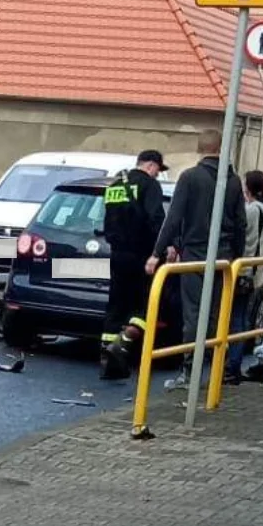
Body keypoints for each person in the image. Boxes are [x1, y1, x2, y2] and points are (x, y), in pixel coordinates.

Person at [146, 129, 246, 388]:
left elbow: (174, 218)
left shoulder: (190, 177)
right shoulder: (233, 181)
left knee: (193, 315)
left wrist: (157, 253)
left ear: (200, 149)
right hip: (223, 258)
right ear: (221, 148)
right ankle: (213, 372)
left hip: (195, 256)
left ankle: (189, 374)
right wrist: (237, 257)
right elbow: (240, 224)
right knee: (215, 315)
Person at [99, 150, 168, 380]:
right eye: (158, 169)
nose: (158, 174)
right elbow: (156, 219)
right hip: (142, 256)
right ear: (150, 165)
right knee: (144, 305)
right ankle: (123, 343)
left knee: (116, 305)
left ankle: (106, 357)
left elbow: (108, 218)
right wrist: (161, 250)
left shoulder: (115, 185)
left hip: (117, 254)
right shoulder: (150, 186)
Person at [226, 170, 263, 383]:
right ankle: (233, 365)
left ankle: (232, 367)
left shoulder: (252, 211)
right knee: (242, 317)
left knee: (235, 319)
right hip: (257, 271)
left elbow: (242, 238)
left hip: (243, 270)